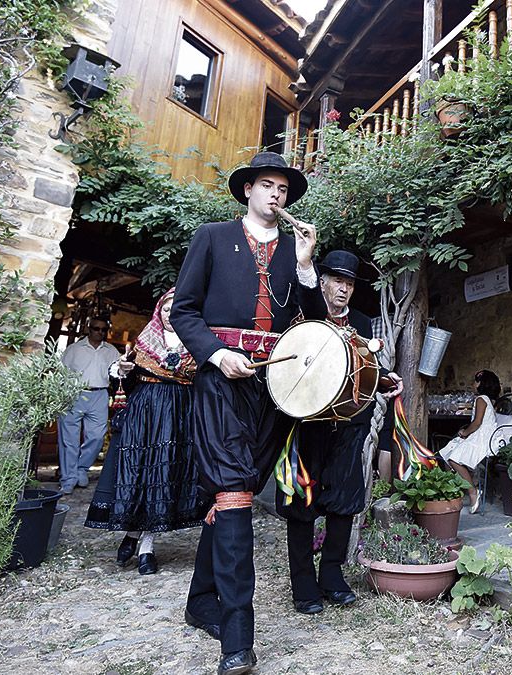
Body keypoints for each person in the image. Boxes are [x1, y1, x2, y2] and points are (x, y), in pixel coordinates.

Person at [170, 151, 326, 675]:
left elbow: (315, 324)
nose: (276, 195)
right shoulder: (212, 236)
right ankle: (238, 638)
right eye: (266, 185)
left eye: (283, 188)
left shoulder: (294, 252)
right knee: (235, 487)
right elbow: (184, 311)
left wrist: (306, 268)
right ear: (247, 191)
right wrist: (215, 353)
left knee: (234, 493)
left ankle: (200, 600)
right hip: (220, 380)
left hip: (275, 388)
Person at [276, 250, 403, 616]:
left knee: (344, 503)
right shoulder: (303, 319)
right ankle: (303, 584)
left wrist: (385, 380)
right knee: (302, 503)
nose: (343, 289)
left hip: (350, 426)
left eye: (349, 283)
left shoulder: (362, 322)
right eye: (336, 281)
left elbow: (368, 371)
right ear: (322, 282)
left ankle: (331, 576)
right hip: (308, 426)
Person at [84, 289, 205, 575]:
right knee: (139, 473)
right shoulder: (145, 341)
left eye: (176, 310)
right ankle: (133, 535)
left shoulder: (197, 343)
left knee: (162, 478)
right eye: (165, 309)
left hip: (178, 415)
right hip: (145, 415)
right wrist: (121, 369)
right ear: (158, 312)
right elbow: (123, 374)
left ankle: (145, 545)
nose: (170, 315)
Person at [57, 316, 121, 495]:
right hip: (75, 392)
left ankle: (81, 468)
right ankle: (68, 478)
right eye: (95, 328)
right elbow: (62, 372)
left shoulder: (111, 351)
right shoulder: (74, 349)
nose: (99, 332)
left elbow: (119, 374)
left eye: (103, 329)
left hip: (100, 393)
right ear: (88, 328)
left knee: (97, 436)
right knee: (68, 438)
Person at [439, 369, 502, 513]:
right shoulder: (487, 400)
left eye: (475, 381)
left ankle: (472, 492)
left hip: (484, 439)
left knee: (454, 459)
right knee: (447, 452)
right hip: (480, 435)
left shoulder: (481, 399)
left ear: (481, 383)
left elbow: (477, 422)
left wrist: (465, 433)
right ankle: (456, 491)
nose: (473, 384)